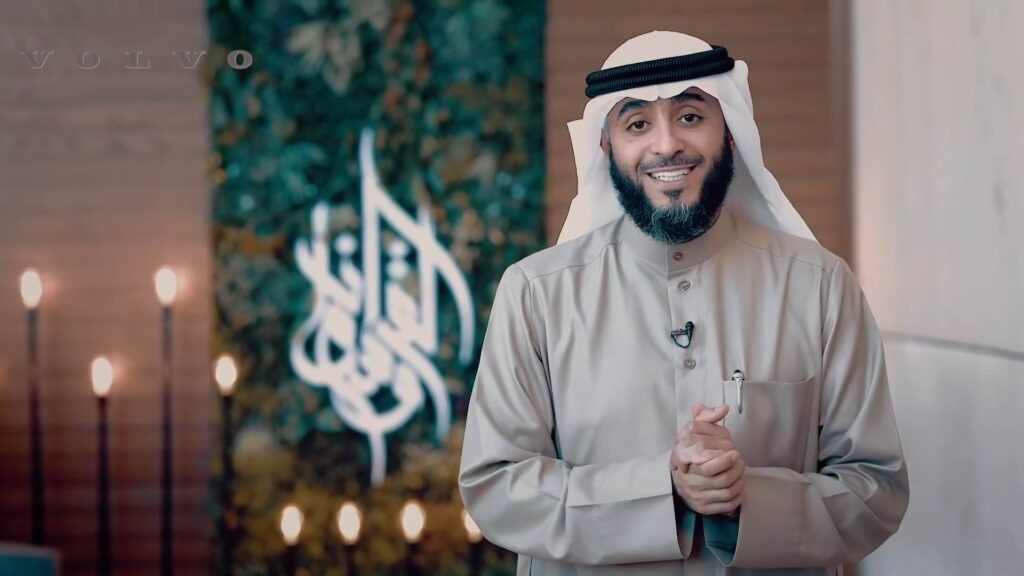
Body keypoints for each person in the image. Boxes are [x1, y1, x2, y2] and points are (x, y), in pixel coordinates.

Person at [459, 31, 908, 575]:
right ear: (606, 147)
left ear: (731, 133)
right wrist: (663, 490)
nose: (667, 144)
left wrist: (747, 500)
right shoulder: (536, 293)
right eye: (637, 124)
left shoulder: (819, 285)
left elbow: (876, 490)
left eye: (690, 116)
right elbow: (497, 487)